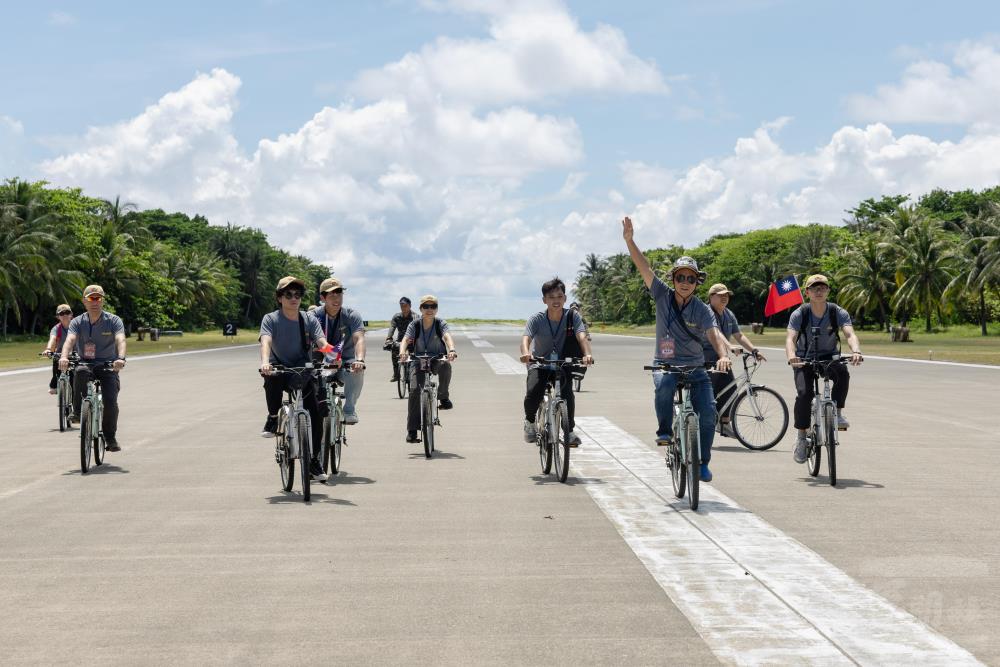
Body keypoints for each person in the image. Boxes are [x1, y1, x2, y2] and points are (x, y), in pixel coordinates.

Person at [622, 217, 732, 482]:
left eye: (691, 278)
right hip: (665, 363)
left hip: (695, 367)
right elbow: (644, 267)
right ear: (674, 278)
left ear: (697, 283)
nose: (685, 282)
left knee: (708, 413)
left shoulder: (703, 310)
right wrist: (629, 240)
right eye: (680, 277)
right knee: (664, 385)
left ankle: (702, 462)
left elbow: (714, 333)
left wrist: (724, 355)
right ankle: (664, 431)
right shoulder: (662, 295)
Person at [259, 276, 333, 482]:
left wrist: (332, 354)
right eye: (288, 294)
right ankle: (273, 418)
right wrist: (265, 362)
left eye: (297, 294)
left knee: (317, 413)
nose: (294, 298)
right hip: (280, 367)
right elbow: (266, 341)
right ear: (279, 298)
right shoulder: (271, 319)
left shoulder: (308, 319)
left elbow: (321, 341)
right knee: (272, 378)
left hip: (303, 368)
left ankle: (314, 461)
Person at [785, 274, 863, 463]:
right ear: (807, 292)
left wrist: (856, 351)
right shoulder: (800, 313)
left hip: (829, 357)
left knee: (843, 374)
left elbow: (849, 334)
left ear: (828, 291)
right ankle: (802, 438)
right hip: (804, 358)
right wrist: (792, 356)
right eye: (814, 288)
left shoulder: (837, 312)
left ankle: (837, 414)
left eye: (822, 287)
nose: (818, 291)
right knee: (804, 394)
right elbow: (790, 338)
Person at [520, 279, 594, 446]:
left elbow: (582, 336)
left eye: (559, 296)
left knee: (567, 394)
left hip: (562, 364)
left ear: (565, 298)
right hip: (540, 363)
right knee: (533, 392)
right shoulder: (536, 319)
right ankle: (530, 422)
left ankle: (569, 432)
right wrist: (526, 353)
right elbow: (526, 339)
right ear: (544, 300)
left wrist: (587, 354)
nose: (556, 300)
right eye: (551, 297)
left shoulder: (572, 316)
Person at [58, 286, 126, 451]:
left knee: (111, 402)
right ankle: (76, 411)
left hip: (108, 366)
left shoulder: (114, 320)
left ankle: (110, 437)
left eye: (98, 298)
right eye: (91, 299)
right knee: (80, 371)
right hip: (86, 363)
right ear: (84, 301)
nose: (94, 302)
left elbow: (120, 339)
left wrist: (120, 358)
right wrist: (64, 356)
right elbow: (70, 340)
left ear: (102, 300)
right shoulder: (77, 321)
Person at [703, 283, 766, 428]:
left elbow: (739, 335)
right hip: (705, 357)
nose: (725, 298)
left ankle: (724, 423)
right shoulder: (706, 312)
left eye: (726, 295)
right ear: (711, 297)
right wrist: (730, 346)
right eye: (721, 295)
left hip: (722, 357)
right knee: (707, 392)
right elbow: (715, 332)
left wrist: (754, 350)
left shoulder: (728, 314)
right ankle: (703, 424)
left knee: (730, 389)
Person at [398, 295, 458, 443]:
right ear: (420, 309)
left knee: (445, 365)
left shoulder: (440, 323)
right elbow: (405, 339)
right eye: (426, 306)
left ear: (436, 309)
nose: (429, 309)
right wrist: (402, 352)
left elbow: (447, 336)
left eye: (433, 306)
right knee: (414, 391)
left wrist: (451, 350)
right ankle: (412, 430)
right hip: (418, 360)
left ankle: (443, 397)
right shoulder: (415, 324)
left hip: (436, 358)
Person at [313, 277, 366, 424]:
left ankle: (349, 410)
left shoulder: (351, 315)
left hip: (345, 363)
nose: (336, 298)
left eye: (339, 293)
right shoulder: (313, 316)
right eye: (331, 294)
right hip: (320, 363)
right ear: (323, 298)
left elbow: (359, 338)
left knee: (357, 370)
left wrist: (359, 360)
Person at [43, 304, 73, 395]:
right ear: (58, 317)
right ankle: (55, 384)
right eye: (61, 313)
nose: (64, 315)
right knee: (56, 364)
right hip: (60, 354)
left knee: (75, 377)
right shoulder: (56, 328)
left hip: (75, 354)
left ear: (71, 314)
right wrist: (48, 349)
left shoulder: (77, 326)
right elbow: (52, 339)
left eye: (67, 313)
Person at [385, 297, 416, 382]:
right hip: (400, 340)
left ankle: (413, 374)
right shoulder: (397, 316)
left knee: (413, 356)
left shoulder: (415, 317)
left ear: (410, 306)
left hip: (412, 340)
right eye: (401, 306)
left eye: (405, 305)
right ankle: (396, 375)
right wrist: (389, 338)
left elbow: (418, 329)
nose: (403, 308)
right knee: (394, 351)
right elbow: (392, 327)